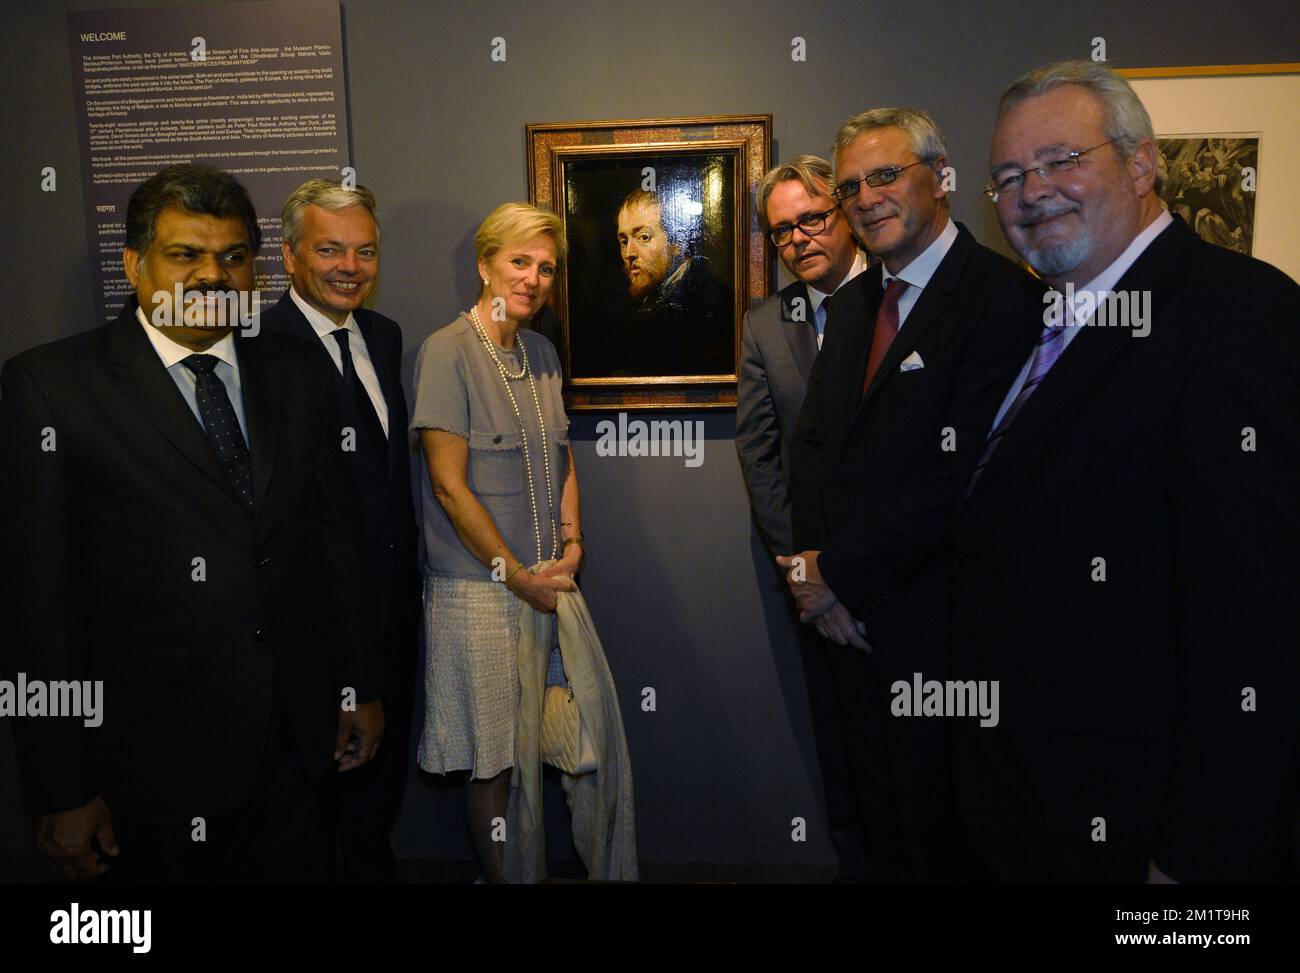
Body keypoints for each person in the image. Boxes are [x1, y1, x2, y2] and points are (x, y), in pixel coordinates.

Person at [946, 60, 1300, 882]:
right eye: (1007, 175)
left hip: (1146, 831)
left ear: (1142, 164)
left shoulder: (1238, 315)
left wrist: (1197, 856)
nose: (1032, 192)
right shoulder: (1027, 326)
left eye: (1063, 160)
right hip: (1026, 808)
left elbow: (1258, 624)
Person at [0, 163, 382, 883]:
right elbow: (37, 605)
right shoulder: (49, 388)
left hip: (299, 748)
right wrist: (59, 787)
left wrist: (357, 682)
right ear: (135, 266)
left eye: (234, 257)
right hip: (147, 769)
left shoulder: (299, 373)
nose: (214, 275)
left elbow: (337, 541)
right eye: (186, 255)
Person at [781, 109, 1043, 881]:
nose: (865, 198)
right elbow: (815, 456)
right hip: (848, 636)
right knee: (878, 836)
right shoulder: (856, 305)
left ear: (941, 177)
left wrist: (839, 575)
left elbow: (963, 478)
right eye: (851, 185)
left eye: (885, 176)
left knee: (951, 845)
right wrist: (815, 585)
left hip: (947, 635)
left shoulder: (1003, 299)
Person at [412, 202, 633, 883]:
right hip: (479, 592)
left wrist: (573, 541)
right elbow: (449, 488)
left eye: (546, 267)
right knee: (496, 759)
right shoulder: (446, 352)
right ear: (485, 265)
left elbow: (562, 459)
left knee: (571, 738)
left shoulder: (540, 352)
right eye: (519, 262)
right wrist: (517, 577)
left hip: (549, 582)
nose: (533, 279)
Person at [258, 179, 420, 883]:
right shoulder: (256, 348)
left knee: (375, 800)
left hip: (390, 615)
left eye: (365, 251)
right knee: (311, 811)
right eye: (329, 249)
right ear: (290, 255)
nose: (349, 266)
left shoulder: (382, 337)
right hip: (310, 629)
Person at [734, 155, 870, 880]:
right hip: (812, 590)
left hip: (904, 583)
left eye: (811, 218)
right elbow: (759, 458)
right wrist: (804, 574)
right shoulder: (766, 322)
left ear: (845, 213)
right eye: (782, 230)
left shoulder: (899, 301)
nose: (799, 238)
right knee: (840, 762)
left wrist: (856, 573)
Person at [594, 188, 733, 377]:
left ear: (677, 242)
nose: (629, 253)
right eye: (624, 241)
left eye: (643, 237)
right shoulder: (644, 304)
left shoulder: (704, 301)